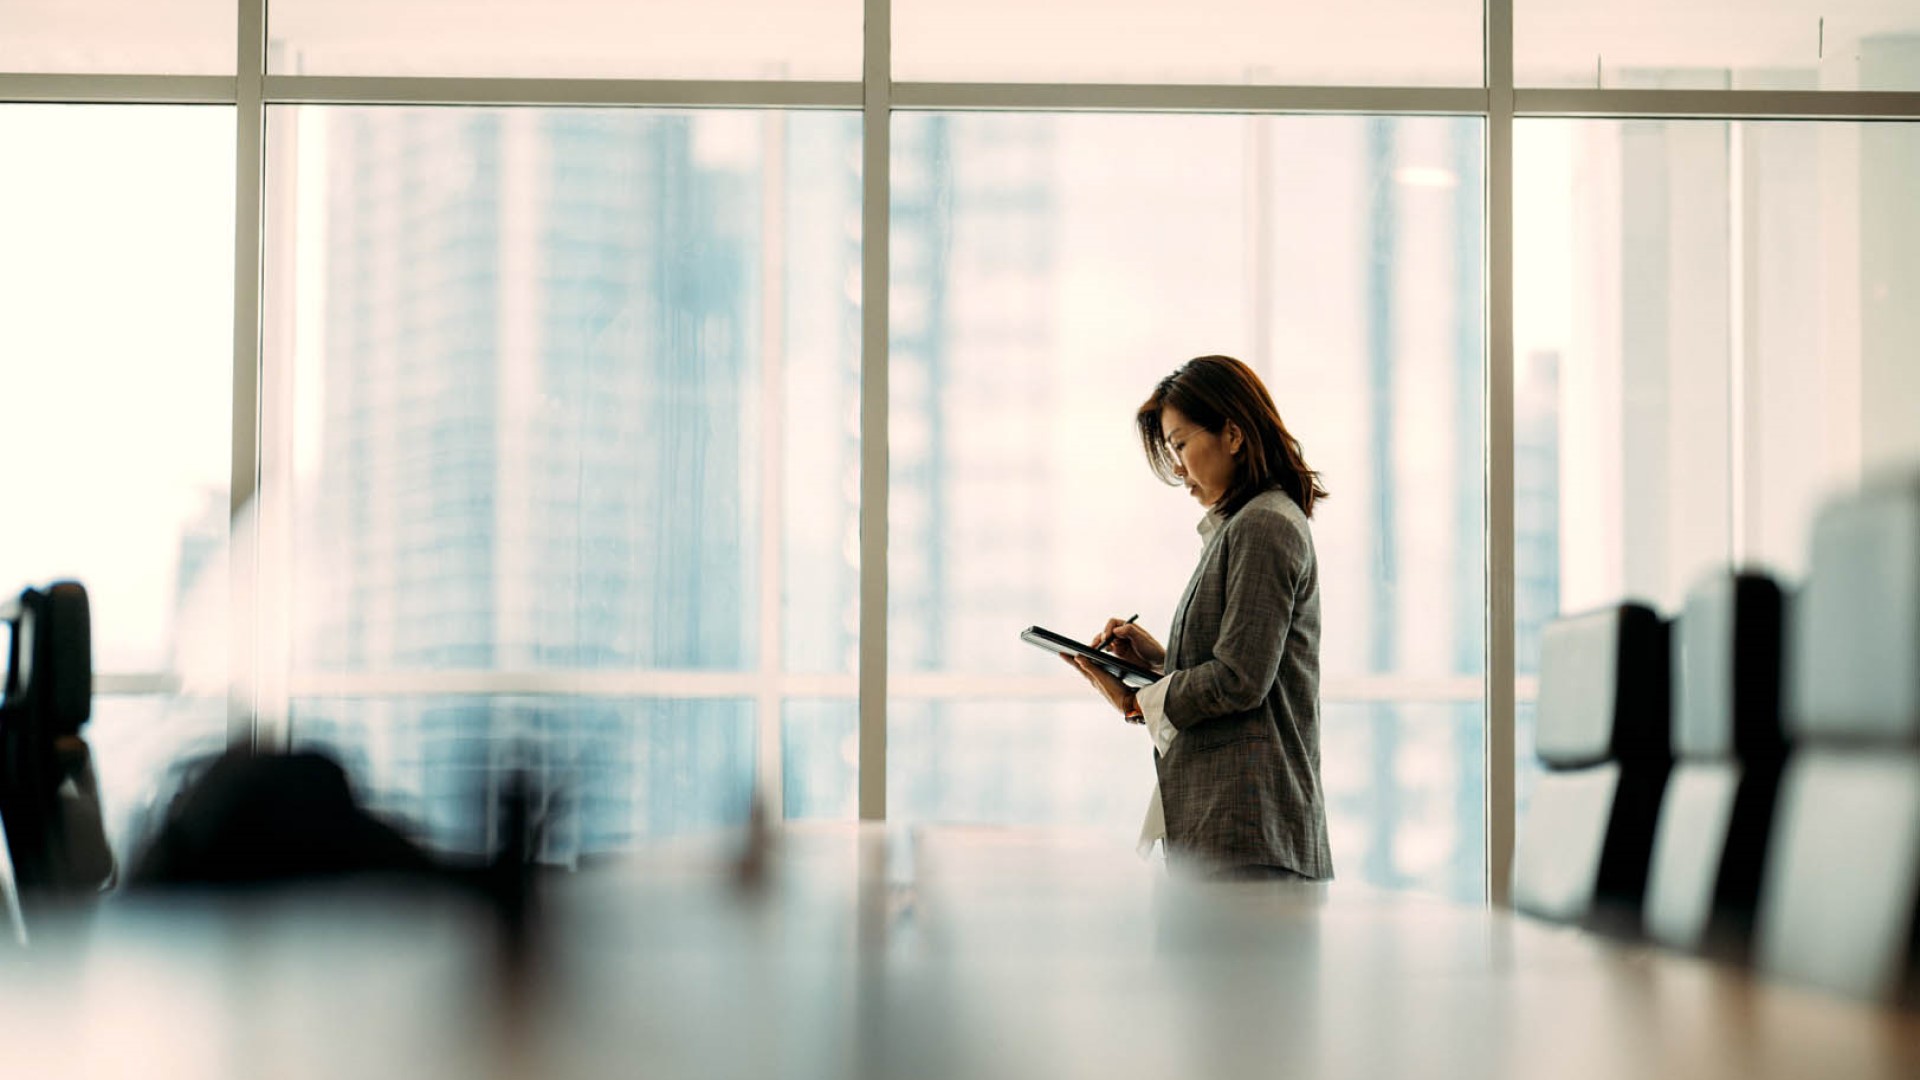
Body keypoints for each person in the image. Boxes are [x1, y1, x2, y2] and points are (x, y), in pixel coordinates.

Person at [1068, 355, 1332, 881]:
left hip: (1251, 836)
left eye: (1181, 445)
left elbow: (1239, 681)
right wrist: (1161, 662)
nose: (1178, 469)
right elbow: (1248, 665)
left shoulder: (1262, 527)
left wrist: (1137, 701)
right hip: (1240, 836)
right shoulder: (1249, 526)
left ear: (1232, 435)